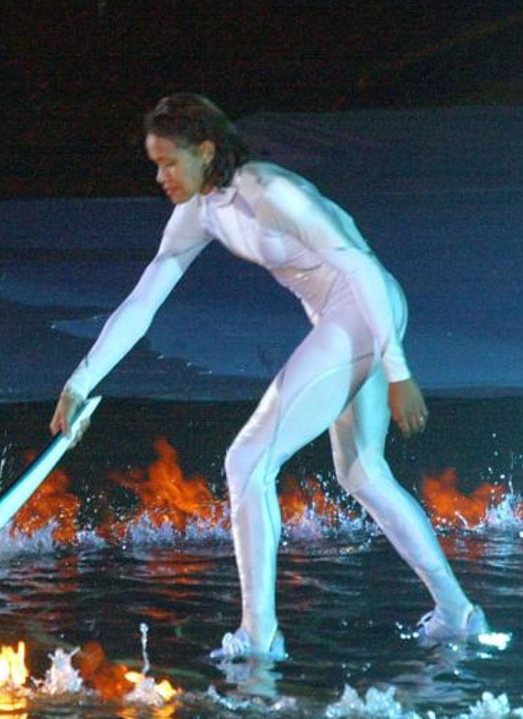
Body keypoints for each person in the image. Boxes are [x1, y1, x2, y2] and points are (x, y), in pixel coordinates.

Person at [50, 93, 488, 660]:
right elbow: (143, 302)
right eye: (154, 164)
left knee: (247, 459)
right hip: (347, 321)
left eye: (169, 162)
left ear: (206, 151)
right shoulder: (198, 213)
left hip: (365, 308)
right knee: (362, 473)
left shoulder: (270, 192)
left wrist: (397, 368)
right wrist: (80, 382)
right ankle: (458, 613)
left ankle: (259, 636)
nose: (160, 176)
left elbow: (358, 264)